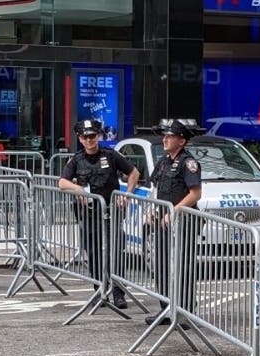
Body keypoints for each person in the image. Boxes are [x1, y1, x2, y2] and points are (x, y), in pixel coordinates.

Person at [59, 117, 139, 309]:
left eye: (92, 136)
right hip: (89, 214)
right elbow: (62, 182)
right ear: (80, 139)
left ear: (98, 136)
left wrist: (127, 195)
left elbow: (134, 173)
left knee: (115, 252)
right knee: (94, 253)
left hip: (111, 212)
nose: (89, 140)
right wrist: (78, 189)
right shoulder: (76, 160)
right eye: (85, 137)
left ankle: (118, 293)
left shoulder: (111, 156)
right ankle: (99, 291)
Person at [145, 118, 202, 325]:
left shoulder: (189, 163)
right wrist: (151, 209)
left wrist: (174, 212)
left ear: (182, 141)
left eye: (170, 136)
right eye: (165, 136)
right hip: (162, 221)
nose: (165, 139)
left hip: (183, 221)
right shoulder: (163, 161)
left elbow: (195, 194)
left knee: (184, 266)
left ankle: (185, 312)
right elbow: (155, 188)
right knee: (161, 264)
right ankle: (166, 309)